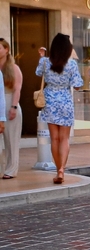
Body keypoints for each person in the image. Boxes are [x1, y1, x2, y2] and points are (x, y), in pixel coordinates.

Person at [36, 33, 83, 184]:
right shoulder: (71, 64)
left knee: (54, 139)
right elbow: (77, 85)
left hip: (49, 101)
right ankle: (62, 169)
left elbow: (38, 73)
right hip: (65, 102)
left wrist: (41, 56)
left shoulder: (45, 62)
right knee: (64, 139)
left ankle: (58, 171)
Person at [0, 38, 21, 179]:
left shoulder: (13, 68)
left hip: (9, 102)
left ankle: (11, 169)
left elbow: (17, 88)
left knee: (11, 140)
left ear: (6, 49)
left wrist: (13, 106)